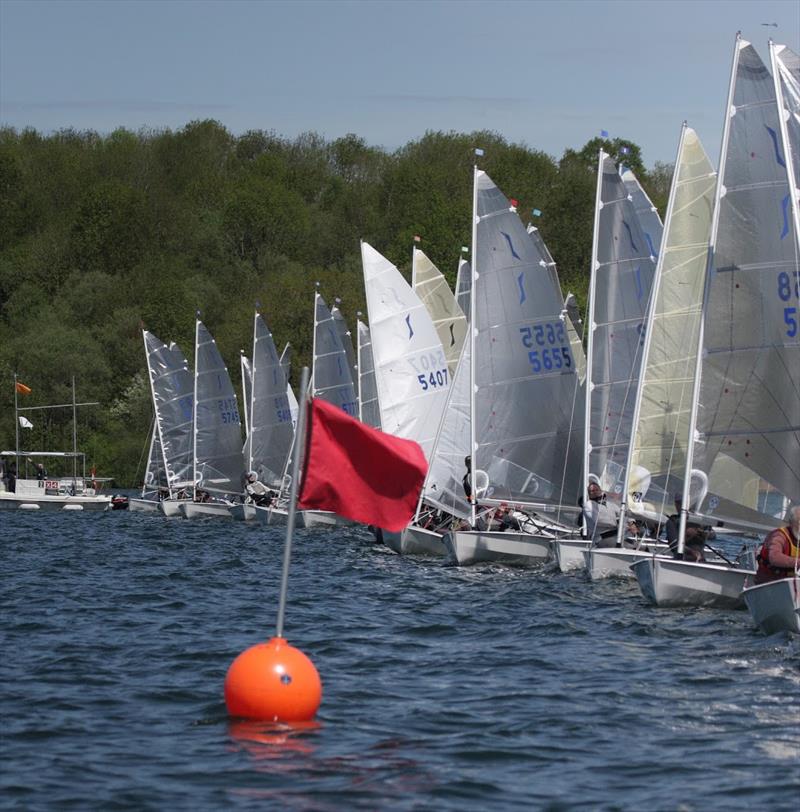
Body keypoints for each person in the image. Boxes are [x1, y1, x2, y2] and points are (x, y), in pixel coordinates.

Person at [754, 506, 800, 584]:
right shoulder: (779, 536)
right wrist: (798, 563)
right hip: (770, 583)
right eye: (798, 522)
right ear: (791, 523)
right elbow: (774, 558)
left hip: (793, 584)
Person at [665, 493, 714, 562]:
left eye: (686, 503)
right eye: (680, 503)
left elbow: (713, 536)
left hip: (700, 560)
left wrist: (703, 532)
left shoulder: (700, 521)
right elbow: (674, 546)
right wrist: (691, 551)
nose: (683, 506)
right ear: (676, 504)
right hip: (681, 560)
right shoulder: (672, 522)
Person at [582, 479, 621, 547]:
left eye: (597, 490)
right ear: (589, 494)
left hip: (616, 535)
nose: (595, 492)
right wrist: (617, 523)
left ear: (600, 490)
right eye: (592, 491)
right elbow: (598, 520)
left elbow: (622, 513)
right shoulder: (588, 505)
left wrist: (631, 523)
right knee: (620, 545)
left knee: (638, 545)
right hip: (601, 538)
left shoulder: (610, 504)